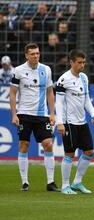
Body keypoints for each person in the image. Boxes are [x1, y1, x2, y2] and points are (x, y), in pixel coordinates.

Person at [9, 43, 58, 192]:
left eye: (37, 53)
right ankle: (25, 182)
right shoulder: (18, 71)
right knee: (24, 145)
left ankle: (50, 182)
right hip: (24, 114)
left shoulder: (46, 69)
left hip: (42, 115)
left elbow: (50, 92)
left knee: (48, 144)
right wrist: (14, 114)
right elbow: (12, 93)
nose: (36, 56)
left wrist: (51, 113)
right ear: (26, 55)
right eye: (32, 54)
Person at [55, 49, 94, 195]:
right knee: (69, 153)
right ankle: (65, 185)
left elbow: (86, 100)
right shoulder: (63, 79)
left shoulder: (84, 78)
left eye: (83, 62)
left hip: (82, 122)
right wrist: (59, 122)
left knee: (89, 151)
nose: (82, 65)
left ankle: (77, 182)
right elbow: (59, 103)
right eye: (79, 63)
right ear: (72, 62)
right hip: (69, 122)